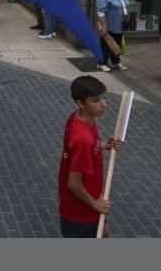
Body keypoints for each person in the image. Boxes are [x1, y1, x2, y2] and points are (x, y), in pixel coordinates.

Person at [58, 76, 123, 238]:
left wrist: (101, 145)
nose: (103, 104)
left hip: (91, 199)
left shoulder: (77, 117)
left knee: (105, 234)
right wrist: (95, 204)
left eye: (103, 98)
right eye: (96, 100)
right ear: (81, 103)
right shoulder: (83, 139)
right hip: (81, 210)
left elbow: (78, 149)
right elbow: (73, 184)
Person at [95, 0, 130, 73]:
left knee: (117, 43)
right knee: (106, 44)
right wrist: (104, 26)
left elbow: (124, 3)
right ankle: (102, 63)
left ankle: (115, 62)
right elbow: (101, 11)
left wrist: (127, 14)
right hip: (109, 24)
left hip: (119, 24)